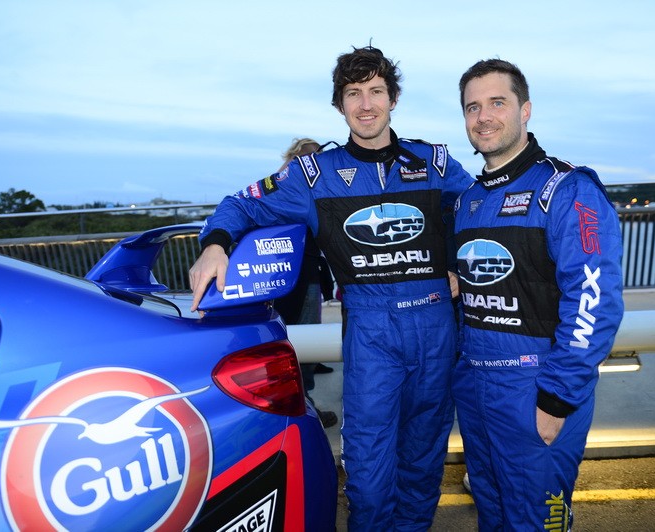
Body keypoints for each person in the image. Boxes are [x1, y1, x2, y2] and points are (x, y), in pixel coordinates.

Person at [189, 45, 474, 530]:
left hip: (436, 328)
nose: (366, 104)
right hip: (371, 332)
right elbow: (239, 203)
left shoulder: (435, 163)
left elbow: (479, 212)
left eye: (376, 92)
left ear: (393, 99)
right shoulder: (312, 175)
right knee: (366, 469)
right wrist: (215, 245)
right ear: (339, 105)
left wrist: (458, 264)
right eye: (354, 94)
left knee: (423, 463)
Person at [451, 58, 624, 530]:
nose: (483, 116)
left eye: (497, 103)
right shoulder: (470, 199)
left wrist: (556, 400)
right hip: (477, 386)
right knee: (493, 509)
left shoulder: (567, 190)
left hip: (535, 390)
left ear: (525, 110)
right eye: (472, 107)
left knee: (538, 521)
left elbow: (595, 302)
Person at [272, 138, 337, 429]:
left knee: (296, 334)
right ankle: (304, 404)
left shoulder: (281, 186)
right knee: (301, 337)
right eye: (311, 157)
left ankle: (300, 396)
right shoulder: (294, 184)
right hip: (295, 274)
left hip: (293, 273)